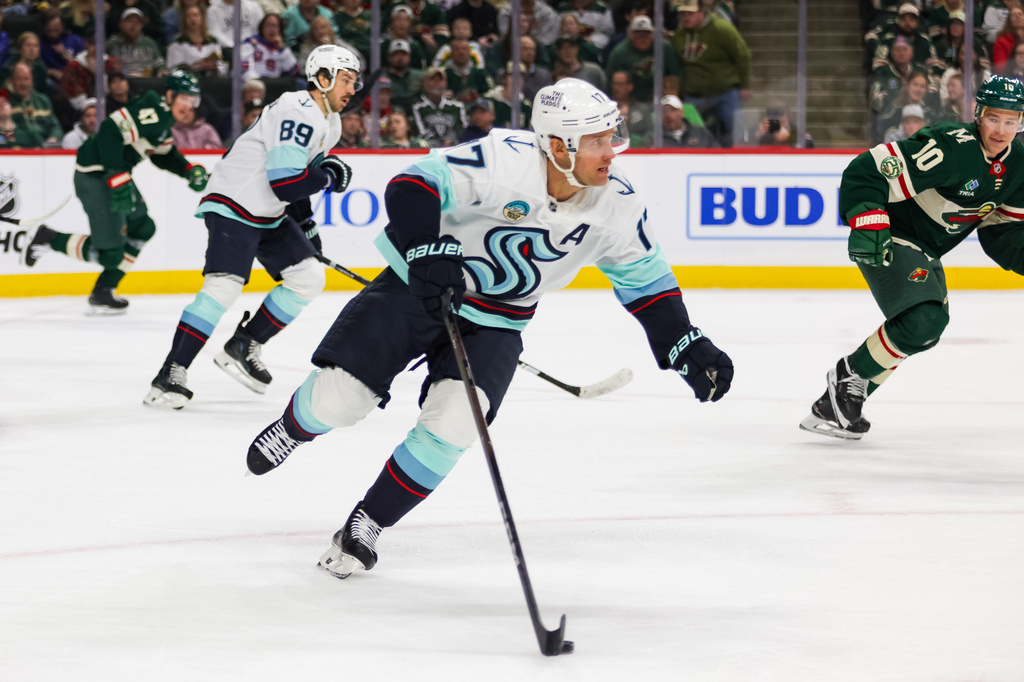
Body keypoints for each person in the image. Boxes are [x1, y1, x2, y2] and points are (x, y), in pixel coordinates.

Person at [243, 78, 734, 582]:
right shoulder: (503, 160)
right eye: (598, 141)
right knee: (338, 400)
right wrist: (423, 249)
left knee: (457, 421)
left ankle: (367, 522)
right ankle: (294, 428)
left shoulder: (619, 203)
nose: (613, 151)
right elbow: (413, 184)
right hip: (421, 289)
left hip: (498, 320)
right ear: (558, 145)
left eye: (612, 135)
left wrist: (683, 341)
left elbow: (647, 282)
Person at [800, 75, 1024, 440]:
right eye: (994, 118)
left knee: (927, 329)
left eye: (1012, 121)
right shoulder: (951, 147)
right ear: (979, 114)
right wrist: (869, 219)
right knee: (921, 321)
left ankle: (835, 404)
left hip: (928, 250)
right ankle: (848, 377)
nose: (1001, 130)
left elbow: (1004, 232)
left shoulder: (1019, 167)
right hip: (893, 236)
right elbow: (868, 168)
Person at [141, 46, 360, 409]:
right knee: (224, 287)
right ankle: (171, 372)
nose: (352, 89)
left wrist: (306, 226)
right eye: (346, 80)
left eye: (354, 81)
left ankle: (244, 343)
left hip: (268, 213)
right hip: (233, 202)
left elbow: (296, 184)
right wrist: (326, 176)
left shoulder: (330, 122)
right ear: (322, 79)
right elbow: (287, 183)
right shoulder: (296, 110)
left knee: (308, 277)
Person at [22, 71, 210, 313]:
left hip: (114, 176)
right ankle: (49, 238)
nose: (189, 106)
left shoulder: (163, 120)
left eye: (193, 101)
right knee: (110, 256)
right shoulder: (153, 110)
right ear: (170, 95)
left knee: (144, 228)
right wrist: (117, 177)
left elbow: (162, 154)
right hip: (95, 177)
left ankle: (104, 290)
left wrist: (187, 169)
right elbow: (109, 131)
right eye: (185, 99)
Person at [671, 0, 751, 147]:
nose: (685, 18)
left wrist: (744, 85)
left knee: (736, 131)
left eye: (690, 13)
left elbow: (743, 55)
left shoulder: (722, 29)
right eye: (682, 14)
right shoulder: (680, 35)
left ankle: (739, 157)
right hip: (695, 94)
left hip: (725, 91)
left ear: (702, 13)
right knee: (688, 128)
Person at [6, 63, 61, 148]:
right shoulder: (6, 103)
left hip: (45, 149)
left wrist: (53, 138)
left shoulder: (43, 100)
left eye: (26, 79)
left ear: (32, 81)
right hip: (19, 149)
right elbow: (6, 131)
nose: (23, 83)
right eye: (19, 79)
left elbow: (55, 126)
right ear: (12, 81)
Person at [411, 65, 467, 146]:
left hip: (455, 148)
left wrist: (452, 141)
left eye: (440, 79)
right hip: (428, 149)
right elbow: (421, 132)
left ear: (445, 83)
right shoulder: (417, 107)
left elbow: (463, 131)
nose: (437, 83)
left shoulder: (457, 106)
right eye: (432, 79)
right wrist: (440, 143)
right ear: (424, 82)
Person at [166, 4, 228, 77]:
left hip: (211, 81)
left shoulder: (212, 41)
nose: (193, 19)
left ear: (202, 18)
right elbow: (174, 69)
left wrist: (215, 67)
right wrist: (196, 67)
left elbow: (222, 67)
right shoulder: (178, 42)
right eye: (189, 16)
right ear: (184, 20)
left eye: (196, 15)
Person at [106, 8, 166, 77]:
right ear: (121, 23)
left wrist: (162, 71)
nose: (133, 26)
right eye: (130, 21)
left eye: (137, 22)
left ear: (142, 26)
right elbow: (105, 63)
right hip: (122, 82)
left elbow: (160, 64)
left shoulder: (149, 43)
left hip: (146, 82)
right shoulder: (113, 44)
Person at [241, 13, 298, 80]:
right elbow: (243, 66)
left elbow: (292, 71)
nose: (272, 29)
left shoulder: (283, 50)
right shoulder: (251, 42)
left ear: (280, 30)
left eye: (275, 26)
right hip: (254, 80)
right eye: (268, 25)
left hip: (275, 83)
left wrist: (282, 50)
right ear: (262, 28)